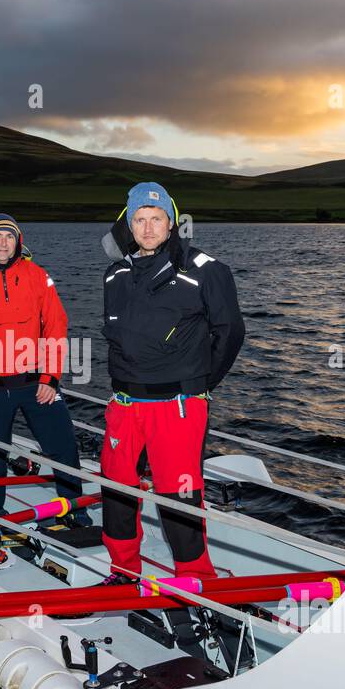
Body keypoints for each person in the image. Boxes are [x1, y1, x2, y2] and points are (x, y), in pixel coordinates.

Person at [99, 182, 245, 581]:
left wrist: (198, 383)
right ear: (129, 226)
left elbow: (229, 333)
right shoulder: (115, 276)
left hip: (178, 406)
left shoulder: (206, 271)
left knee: (179, 495)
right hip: (124, 405)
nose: (148, 228)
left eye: (156, 219)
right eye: (139, 220)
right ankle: (122, 572)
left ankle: (195, 579)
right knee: (116, 490)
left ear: (172, 222)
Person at [0, 214, 88, 525]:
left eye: (9, 236)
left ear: (18, 242)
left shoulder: (37, 276)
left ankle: (73, 511)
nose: (3, 242)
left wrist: (51, 377)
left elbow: (56, 325)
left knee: (63, 446)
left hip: (36, 383)